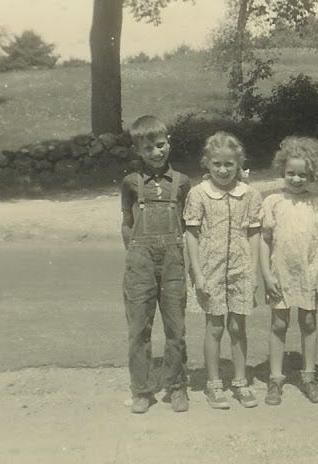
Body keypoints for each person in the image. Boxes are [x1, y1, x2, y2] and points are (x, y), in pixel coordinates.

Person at [183, 131, 262, 409]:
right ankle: (214, 384)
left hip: (240, 267)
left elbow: (254, 233)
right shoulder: (198, 194)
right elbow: (191, 234)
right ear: (206, 163)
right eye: (217, 164)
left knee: (238, 327)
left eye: (229, 164)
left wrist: (253, 272)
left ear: (239, 164)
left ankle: (240, 382)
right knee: (214, 327)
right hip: (210, 269)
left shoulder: (250, 195)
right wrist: (198, 273)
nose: (223, 170)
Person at [120, 115, 191, 414]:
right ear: (138, 151)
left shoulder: (183, 182)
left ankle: (176, 386)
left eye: (160, 145)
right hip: (141, 260)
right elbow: (126, 224)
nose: (156, 153)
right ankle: (141, 389)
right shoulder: (131, 183)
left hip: (173, 260)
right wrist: (136, 255)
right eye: (148, 148)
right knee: (139, 328)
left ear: (168, 143)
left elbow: (188, 224)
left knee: (176, 326)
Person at [259, 136, 318, 405]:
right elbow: (264, 241)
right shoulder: (273, 202)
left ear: (312, 173)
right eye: (291, 173)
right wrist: (267, 275)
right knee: (279, 323)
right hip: (280, 273)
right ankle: (276, 378)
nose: (297, 179)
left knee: (309, 322)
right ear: (282, 171)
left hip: (310, 272)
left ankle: (309, 376)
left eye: (302, 174)